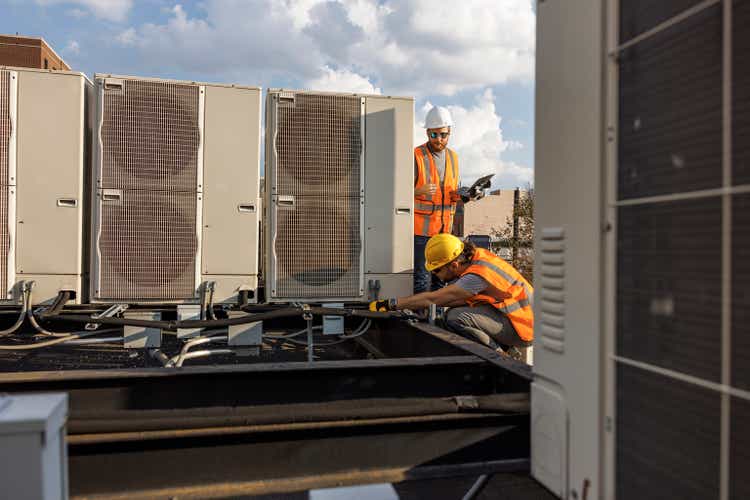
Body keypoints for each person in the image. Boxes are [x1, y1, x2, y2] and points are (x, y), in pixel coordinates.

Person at [371, 234, 533, 355]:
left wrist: (390, 304)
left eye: (437, 269)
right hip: (521, 319)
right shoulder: (478, 256)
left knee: (455, 317)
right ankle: (507, 349)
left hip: (523, 327)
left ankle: (500, 356)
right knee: (456, 311)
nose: (435, 275)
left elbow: (432, 298)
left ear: (454, 265)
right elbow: (456, 299)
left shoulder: (476, 276)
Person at [413, 106, 461, 294]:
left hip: (444, 232)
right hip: (421, 234)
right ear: (427, 133)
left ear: (449, 133)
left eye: (443, 135)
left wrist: (461, 195)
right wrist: (416, 191)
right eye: (434, 135)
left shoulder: (454, 158)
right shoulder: (417, 156)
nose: (439, 140)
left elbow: (450, 192)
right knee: (422, 280)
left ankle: (437, 318)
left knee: (442, 280)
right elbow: (395, 193)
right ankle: (419, 318)